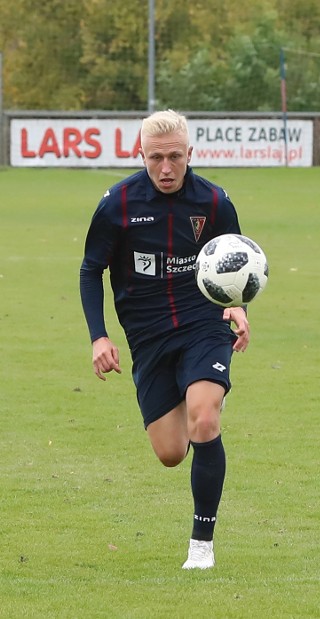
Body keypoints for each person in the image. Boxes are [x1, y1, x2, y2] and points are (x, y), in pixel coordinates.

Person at [80, 109, 250, 570]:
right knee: (172, 453)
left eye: (176, 156)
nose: (167, 168)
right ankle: (195, 408)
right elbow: (91, 270)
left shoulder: (215, 203)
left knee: (204, 420)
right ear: (141, 154)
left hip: (203, 324)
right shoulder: (117, 204)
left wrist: (238, 306)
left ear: (191, 153)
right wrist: (99, 336)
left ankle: (201, 545)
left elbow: (237, 264)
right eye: (156, 157)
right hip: (149, 336)